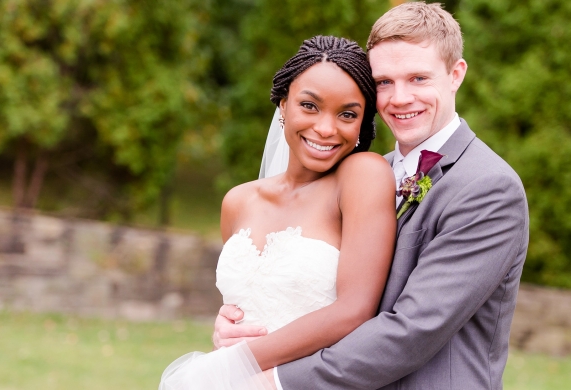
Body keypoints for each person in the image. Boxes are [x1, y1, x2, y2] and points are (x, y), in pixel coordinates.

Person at [214, 3, 530, 390]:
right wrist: (240, 324)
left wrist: (272, 378)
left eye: (418, 78)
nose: (399, 98)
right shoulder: (359, 174)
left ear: (455, 75)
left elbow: (412, 329)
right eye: (384, 82)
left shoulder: (488, 187)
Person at [159, 35, 397, 389]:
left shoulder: (363, 176)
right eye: (310, 106)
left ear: (362, 125)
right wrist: (226, 333)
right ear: (283, 105)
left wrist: (231, 365)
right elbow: (253, 302)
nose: (326, 128)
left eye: (347, 114)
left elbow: (354, 311)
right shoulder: (238, 202)